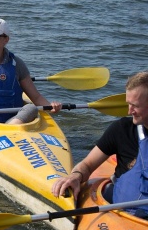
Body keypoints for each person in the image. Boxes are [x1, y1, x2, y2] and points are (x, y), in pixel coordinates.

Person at [51, 72, 148, 216]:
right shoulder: (121, 130)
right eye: (128, 104)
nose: (129, 111)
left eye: (135, 106)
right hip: (124, 208)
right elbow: (87, 165)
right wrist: (75, 176)